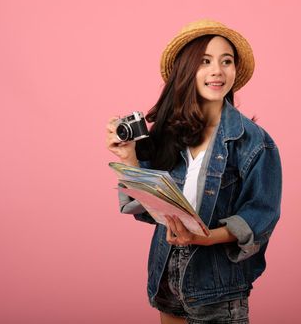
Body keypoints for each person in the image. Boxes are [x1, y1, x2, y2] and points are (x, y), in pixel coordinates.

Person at [106, 19, 282, 324]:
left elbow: (261, 214)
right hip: (166, 276)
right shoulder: (169, 134)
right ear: (186, 71)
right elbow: (148, 210)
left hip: (217, 286)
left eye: (226, 61)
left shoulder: (254, 142)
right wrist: (129, 159)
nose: (217, 70)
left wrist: (206, 237)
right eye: (205, 61)